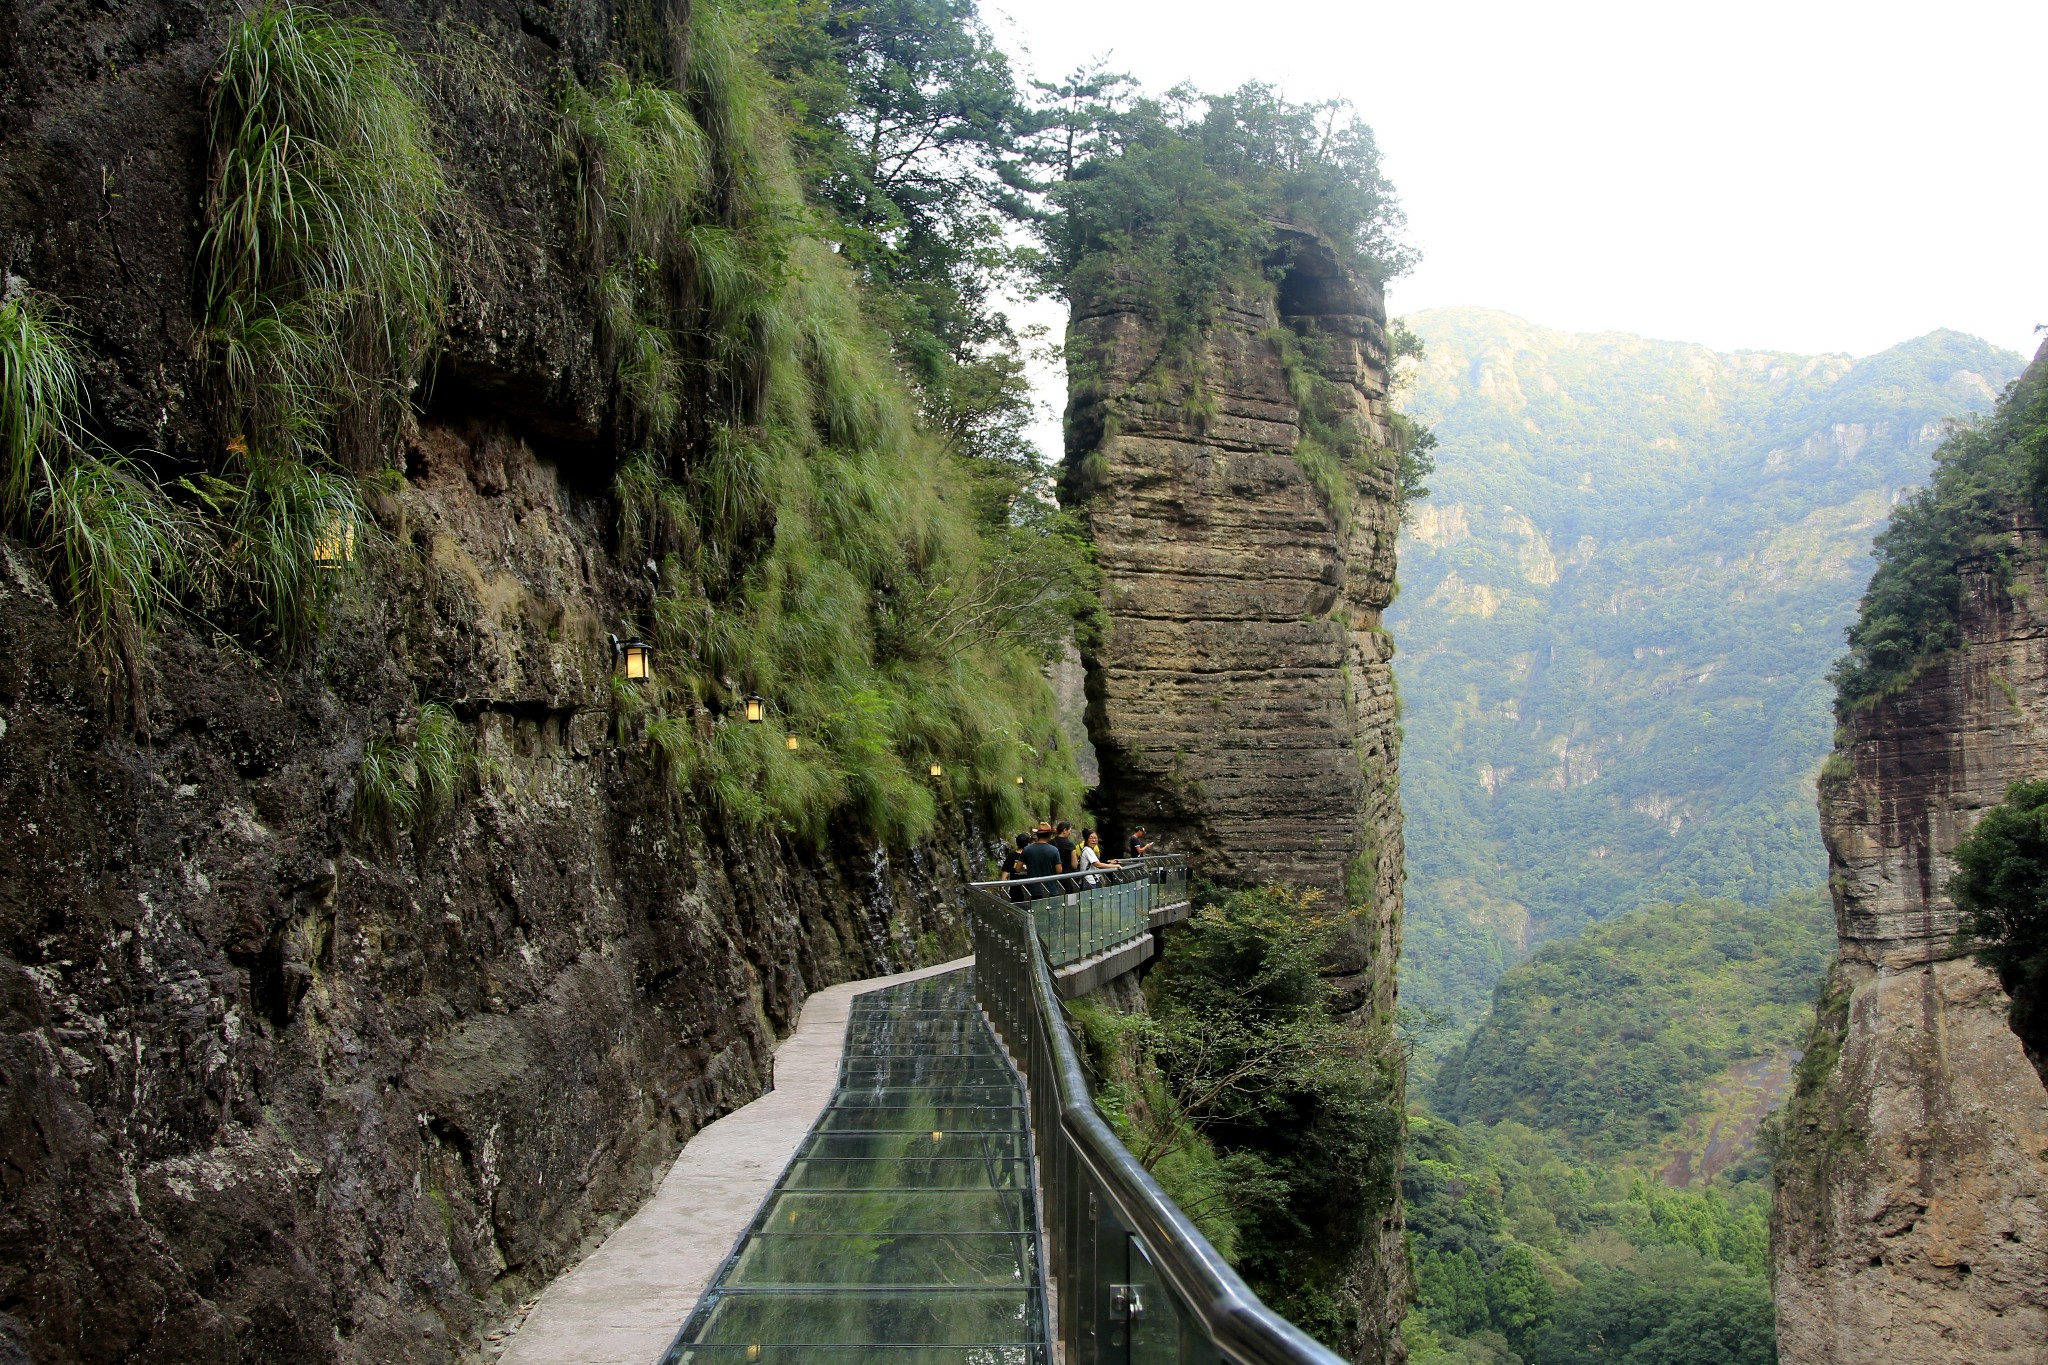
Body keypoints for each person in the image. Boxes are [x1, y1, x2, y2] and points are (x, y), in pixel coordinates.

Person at [1018, 824, 1063, 894]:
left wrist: (1029, 869)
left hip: (1032, 890)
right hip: (1051, 889)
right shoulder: (1054, 850)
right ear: (1049, 835)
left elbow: (1018, 868)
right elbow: (1059, 870)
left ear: (1037, 835)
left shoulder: (1027, 849)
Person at [1000, 832, 1033, 902]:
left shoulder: (1011, 855)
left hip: (1015, 887)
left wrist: (1002, 884)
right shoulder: (1030, 855)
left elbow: (1005, 870)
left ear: (1017, 842)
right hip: (1029, 886)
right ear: (1028, 843)